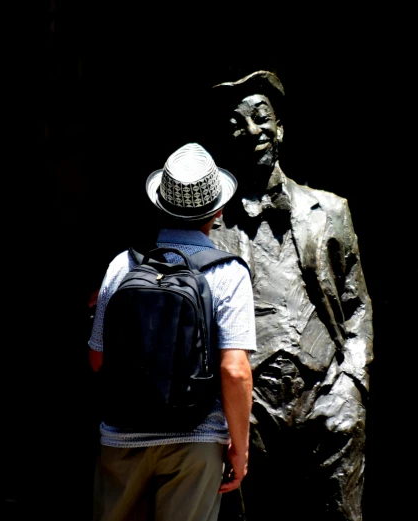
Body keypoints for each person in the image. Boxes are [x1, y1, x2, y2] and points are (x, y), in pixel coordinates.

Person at [205, 71, 374, 521]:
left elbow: (357, 306)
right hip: (247, 401)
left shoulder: (330, 210)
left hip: (325, 391)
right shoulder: (210, 228)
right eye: (238, 124)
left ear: (281, 128)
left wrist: (352, 382)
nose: (253, 130)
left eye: (262, 118)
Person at [88, 143, 256, 521]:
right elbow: (234, 370)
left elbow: (98, 359)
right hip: (195, 448)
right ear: (218, 210)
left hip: (120, 443)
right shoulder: (229, 273)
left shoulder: (122, 264)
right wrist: (240, 450)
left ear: (159, 205)